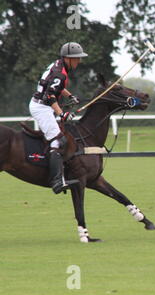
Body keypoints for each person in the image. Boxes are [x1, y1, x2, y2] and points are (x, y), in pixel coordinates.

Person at [29, 42, 88, 194]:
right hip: (42, 107)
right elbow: (50, 95)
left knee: (61, 137)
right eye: (76, 58)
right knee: (58, 140)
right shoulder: (60, 73)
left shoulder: (59, 66)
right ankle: (56, 181)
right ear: (68, 58)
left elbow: (57, 87)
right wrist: (62, 113)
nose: (79, 61)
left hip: (44, 106)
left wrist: (70, 96)